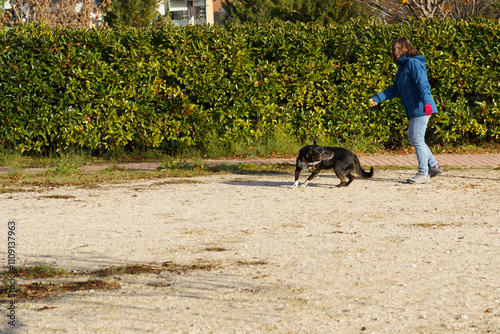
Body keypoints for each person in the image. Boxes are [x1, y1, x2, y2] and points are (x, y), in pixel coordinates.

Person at [368, 37, 442, 184]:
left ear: (407, 48)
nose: (396, 52)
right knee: (413, 138)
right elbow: (394, 89)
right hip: (413, 108)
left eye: (399, 49)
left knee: (417, 139)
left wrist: (427, 102)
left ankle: (424, 173)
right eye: (394, 49)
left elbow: (423, 84)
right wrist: (378, 98)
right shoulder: (402, 68)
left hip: (421, 106)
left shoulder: (413, 63)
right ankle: (433, 165)